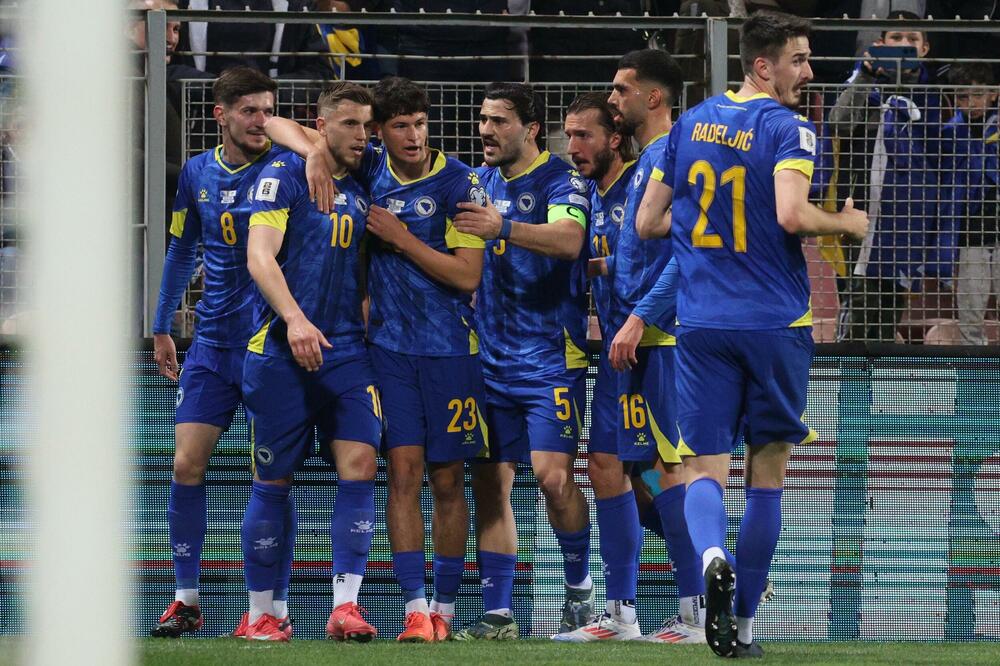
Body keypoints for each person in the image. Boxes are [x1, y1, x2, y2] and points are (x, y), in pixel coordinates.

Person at [635, 11, 868, 658]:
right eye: (799, 59)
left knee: (701, 469)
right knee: (767, 475)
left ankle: (711, 555)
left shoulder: (687, 124)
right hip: (774, 324)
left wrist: (702, 226)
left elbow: (648, 223)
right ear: (763, 66)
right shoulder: (789, 128)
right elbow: (792, 215)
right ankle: (742, 630)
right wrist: (846, 223)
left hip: (702, 323)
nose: (808, 71)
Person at [265, 75, 489, 643]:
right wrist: (315, 152)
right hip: (388, 352)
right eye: (400, 126)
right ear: (380, 133)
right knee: (403, 474)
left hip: (451, 351)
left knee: (448, 480)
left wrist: (402, 238)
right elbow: (275, 122)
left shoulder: (461, 182)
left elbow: (468, 276)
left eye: (421, 124)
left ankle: (445, 608)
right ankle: (415, 610)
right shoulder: (368, 169)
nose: (414, 136)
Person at [559, 48, 706, 644]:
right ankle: (621, 614)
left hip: (663, 339)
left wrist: (641, 318)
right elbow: (637, 254)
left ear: (654, 97)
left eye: (621, 89)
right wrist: (596, 269)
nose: (613, 97)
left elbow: (686, 254)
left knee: (670, 470)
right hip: (627, 342)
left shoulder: (678, 155)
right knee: (605, 465)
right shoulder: (647, 162)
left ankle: (698, 612)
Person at [451, 82, 594, 640]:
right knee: (490, 484)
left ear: (531, 129)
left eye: (499, 121)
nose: (486, 130)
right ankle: (498, 614)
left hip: (550, 358)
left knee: (553, 479)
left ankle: (580, 592)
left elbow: (570, 240)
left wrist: (503, 228)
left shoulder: (561, 180)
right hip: (488, 360)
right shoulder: (477, 182)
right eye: (483, 119)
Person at [241, 81, 383, 642]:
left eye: (367, 125)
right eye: (349, 124)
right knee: (273, 478)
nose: (363, 135)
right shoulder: (283, 175)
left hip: (347, 350)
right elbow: (259, 256)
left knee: (361, 464)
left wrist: (320, 149)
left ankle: (345, 606)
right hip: (281, 348)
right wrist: (295, 319)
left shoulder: (368, 173)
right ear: (322, 126)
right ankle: (262, 613)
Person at [149, 67, 286, 638]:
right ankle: (186, 599)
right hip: (210, 345)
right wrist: (161, 325)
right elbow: (182, 248)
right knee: (185, 464)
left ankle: (270, 608)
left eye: (269, 110)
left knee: (271, 475)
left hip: (268, 344)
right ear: (221, 115)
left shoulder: (288, 168)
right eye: (250, 110)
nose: (261, 121)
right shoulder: (197, 172)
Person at [827, 11, 941, 342]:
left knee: (889, 315)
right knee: (858, 311)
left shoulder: (935, 94)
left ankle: (879, 377)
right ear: (881, 44)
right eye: (896, 38)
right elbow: (838, 123)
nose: (904, 44)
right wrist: (865, 76)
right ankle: (849, 377)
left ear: (925, 49)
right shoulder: (862, 80)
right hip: (863, 215)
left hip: (906, 221)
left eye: (912, 39)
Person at [938, 63, 1000, 345]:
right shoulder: (950, 133)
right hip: (970, 235)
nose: (971, 103)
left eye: (978, 95)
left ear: (994, 94)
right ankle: (972, 369)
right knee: (971, 312)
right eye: (963, 97)